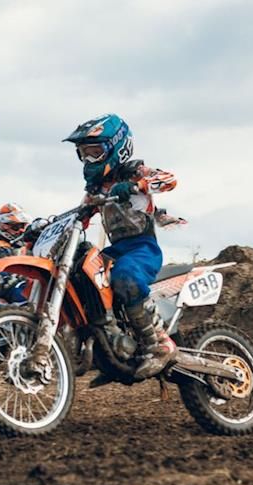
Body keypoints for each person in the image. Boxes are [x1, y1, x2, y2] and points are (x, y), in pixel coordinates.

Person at [63, 113, 187, 378]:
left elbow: (169, 179)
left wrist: (137, 186)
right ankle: (106, 343)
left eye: (94, 153)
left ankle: (158, 342)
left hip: (142, 247)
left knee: (125, 277)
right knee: (83, 275)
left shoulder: (134, 172)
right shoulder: (96, 188)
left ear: (117, 147)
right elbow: (79, 215)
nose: (89, 160)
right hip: (115, 250)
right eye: (84, 154)